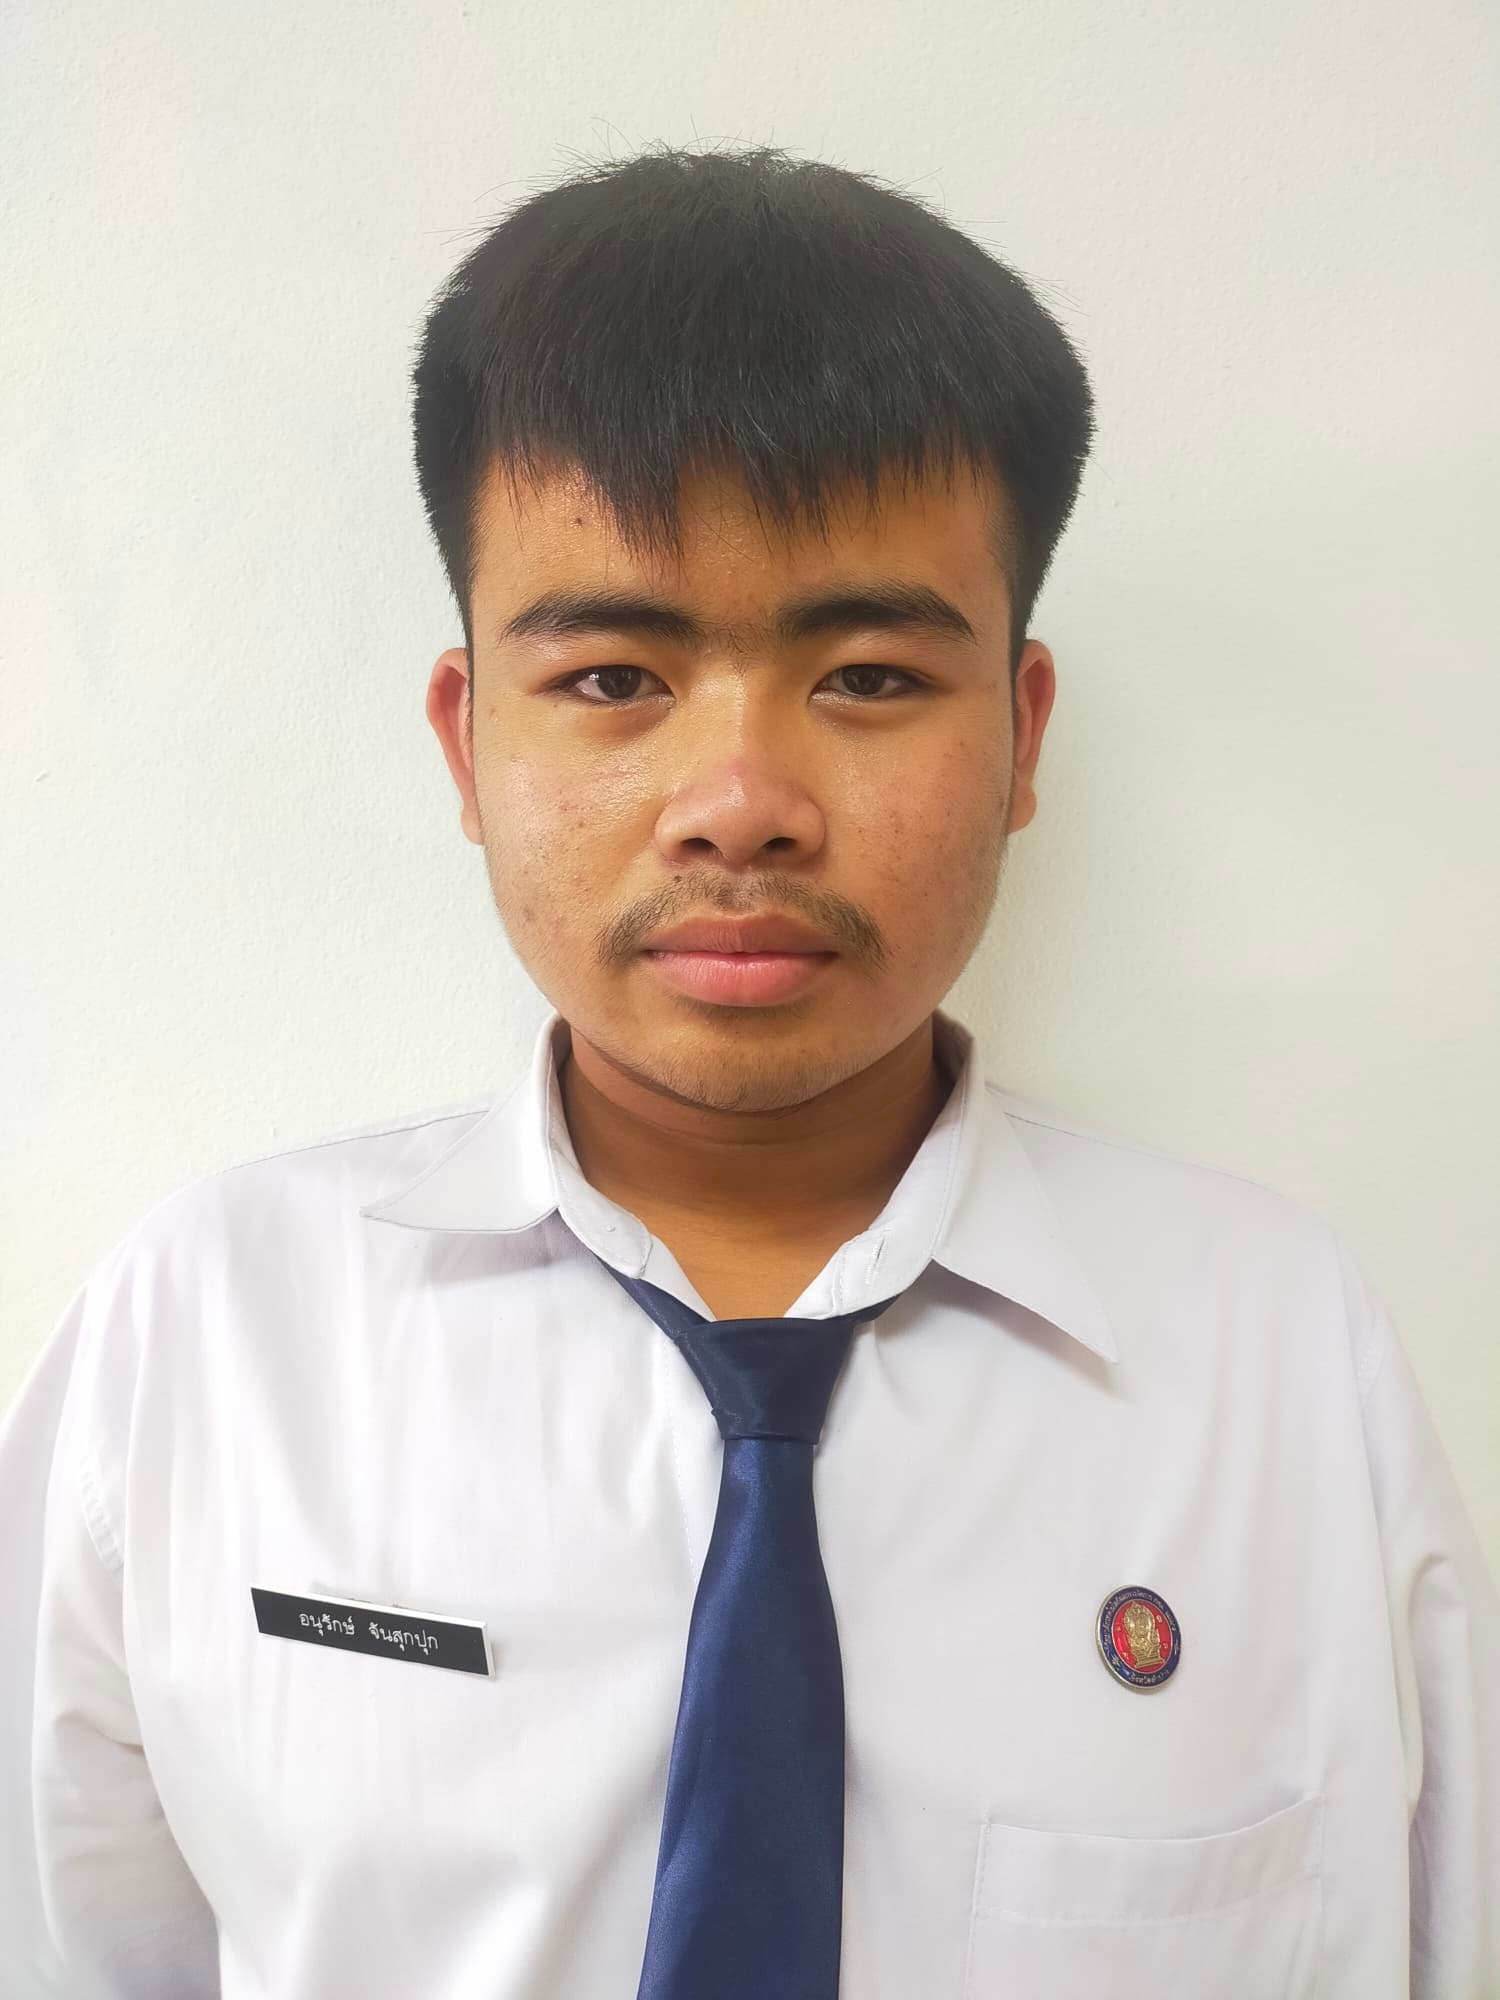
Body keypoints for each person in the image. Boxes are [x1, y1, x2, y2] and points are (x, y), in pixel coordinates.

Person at [2, 141, 1496, 2000]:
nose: (742, 806)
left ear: (1022, 733)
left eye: (866, 675)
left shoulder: (1279, 1357)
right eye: (614, 679)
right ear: (467, 742)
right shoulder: (206, 1339)